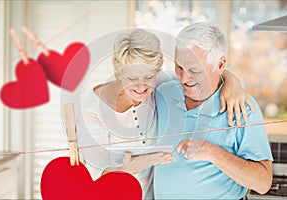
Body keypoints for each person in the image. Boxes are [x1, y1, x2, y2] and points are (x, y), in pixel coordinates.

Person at [80, 28, 253, 199]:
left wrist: (232, 80)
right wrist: (128, 169)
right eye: (132, 78)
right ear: (119, 72)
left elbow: (202, 75)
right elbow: (95, 171)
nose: (141, 87)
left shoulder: (161, 85)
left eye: (148, 77)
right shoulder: (93, 110)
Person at [154, 22, 273, 199]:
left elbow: (263, 183)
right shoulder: (163, 92)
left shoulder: (243, 108)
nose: (184, 78)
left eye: (195, 70)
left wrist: (212, 152)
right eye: (179, 67)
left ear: (220, 64)